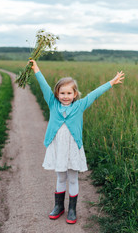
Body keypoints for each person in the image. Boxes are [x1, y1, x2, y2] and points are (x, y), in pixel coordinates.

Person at [29, 59, 124, 224]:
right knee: (60, 178)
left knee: (73, 178)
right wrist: (36, 68)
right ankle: (59, 207)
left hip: (73, 148)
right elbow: (44, 85)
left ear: (75, 94)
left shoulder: (80, 106)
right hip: (58, 147)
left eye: (69, 93)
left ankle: (72, 209)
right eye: (62, 93)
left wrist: (111, 82)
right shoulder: (52, 104)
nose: (65, 97)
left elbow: (95, 93)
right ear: (57, 94)